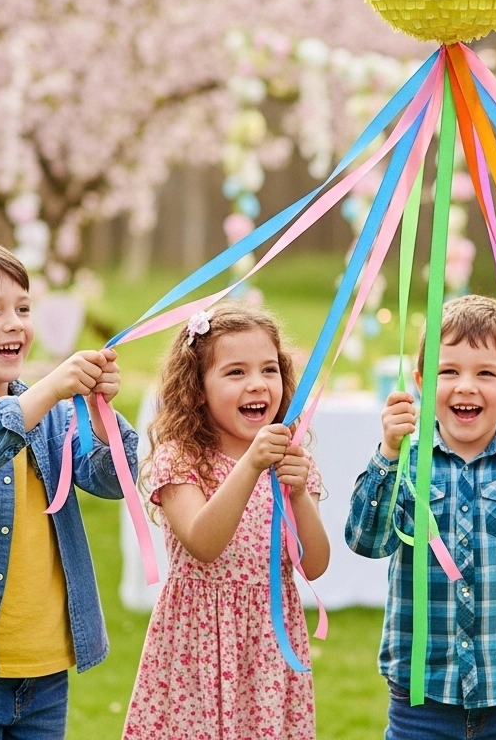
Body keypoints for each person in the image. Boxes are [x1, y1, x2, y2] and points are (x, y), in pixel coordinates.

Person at [345, 294, 496, 740]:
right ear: (420, 382)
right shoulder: (404, 464)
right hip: (422, 699)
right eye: (447, 372)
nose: (465, 386)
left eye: (485, 373)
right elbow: (365, 541)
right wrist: (388, 454)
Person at [123, 303, 329, 740]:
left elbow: (313, 565)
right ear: (197, 389)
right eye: (235, 372)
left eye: (269, 370)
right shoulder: (180, 458)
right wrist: (251, 466)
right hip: (198, 642)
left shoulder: (291, 461)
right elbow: (203, 541)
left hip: (269, 645)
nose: (257, 384)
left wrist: (297, 494)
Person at [0, 239, 132, 740]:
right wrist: (48, 390)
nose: (14, 323)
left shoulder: (50, 411)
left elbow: (114, 479)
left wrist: (99, 416)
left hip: (45, 669)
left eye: (23, 308)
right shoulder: (38, 401)